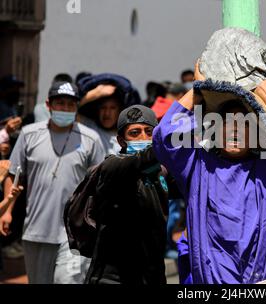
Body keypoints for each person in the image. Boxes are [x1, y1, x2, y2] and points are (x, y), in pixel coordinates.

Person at [153, 64, 266, 284]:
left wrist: (264, 90)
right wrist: (198, 90)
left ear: (257, 132)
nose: (235, 129)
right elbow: (165, 134)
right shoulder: (197, 167)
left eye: (244, 124)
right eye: (227, 123)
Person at [0, 81, 105, 284]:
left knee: (68, 281)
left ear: (76, 107)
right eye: (60, 103)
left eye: (70, 104)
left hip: (75, 234)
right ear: (49, 105)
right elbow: (14, 173)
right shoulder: (29, 135)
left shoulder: (90, 139)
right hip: (36, 231)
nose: (65, 109)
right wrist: (7, 210)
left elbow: (100, 184)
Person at [84, 105, 167, 284]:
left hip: (152, 275)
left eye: (149, 132)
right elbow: (140, 160)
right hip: (113, 278)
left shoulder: (161, 174)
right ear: (121, 141)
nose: (144, 138)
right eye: (135, 133)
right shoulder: (111, 168)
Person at [77, 73, 141, 155]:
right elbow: (72, 112)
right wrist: (95, 93)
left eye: (112, 108)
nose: (107, 113)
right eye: (103, 108)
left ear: (120, 111)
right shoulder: (90, 128)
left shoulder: (130, 137)